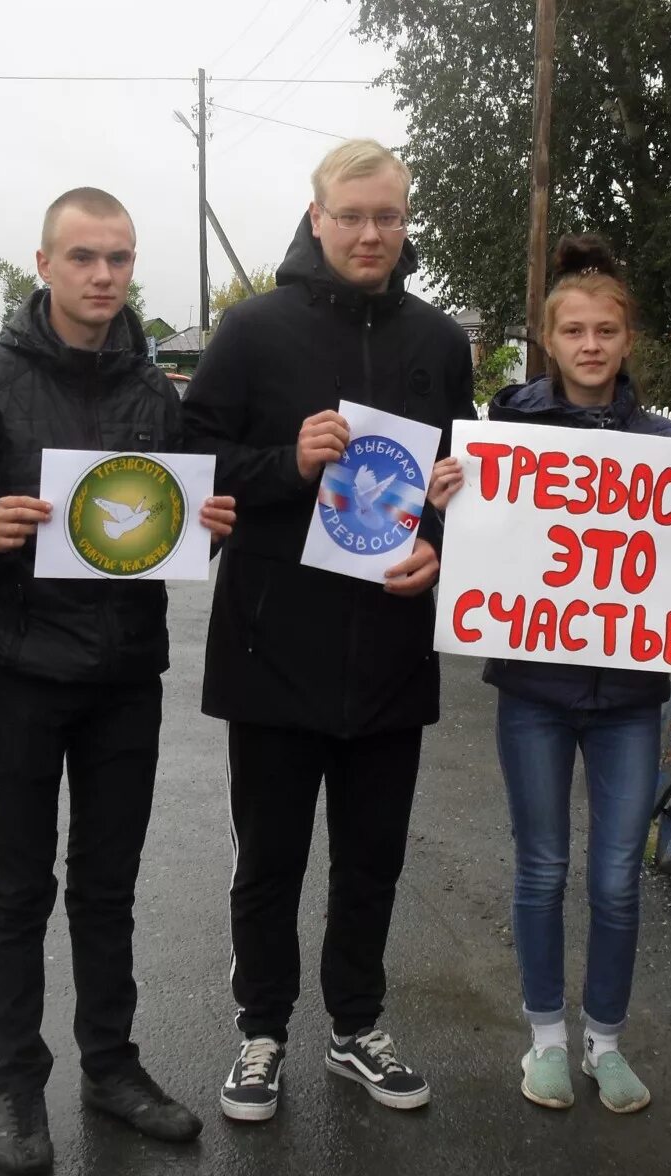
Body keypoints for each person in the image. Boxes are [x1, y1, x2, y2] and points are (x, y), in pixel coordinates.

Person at [427, 235, 671, 1114]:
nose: (591, 345)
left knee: (617, 879)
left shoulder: (665, 445)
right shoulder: (502, 437)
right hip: (535, 692)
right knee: (543, 868)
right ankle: (546, 1039)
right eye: (575, 331)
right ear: (550, 342)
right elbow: (462, 555)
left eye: (607, 331)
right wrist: (443, 509)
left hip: (629, 699)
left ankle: (608, 1043)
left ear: (629, 342)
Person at [0, 187, 235, 1175]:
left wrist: (209, 529)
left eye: (120, 258)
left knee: (107, 887)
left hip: (126, 674)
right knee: (17, 887)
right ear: (44, 264)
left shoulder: (156, 392)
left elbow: (179, 525)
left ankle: (112, 1066)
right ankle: (16, 1088)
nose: (104, 276)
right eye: (85, 257)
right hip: (16, 667)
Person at [181, 138, 475, 1121]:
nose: (368, 233)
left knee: (372, 858)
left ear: (404, 221)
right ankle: (260, 1033)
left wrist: (440, 540)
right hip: (274, 639)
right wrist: (284, 463)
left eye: (385, 216)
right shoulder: (252, 331)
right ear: (316, 217)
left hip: (391, 643)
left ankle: (355, 1029)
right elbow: (195, 465)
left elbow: (461, 483)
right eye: (349, 215)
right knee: (269, 859)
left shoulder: (439, 342)